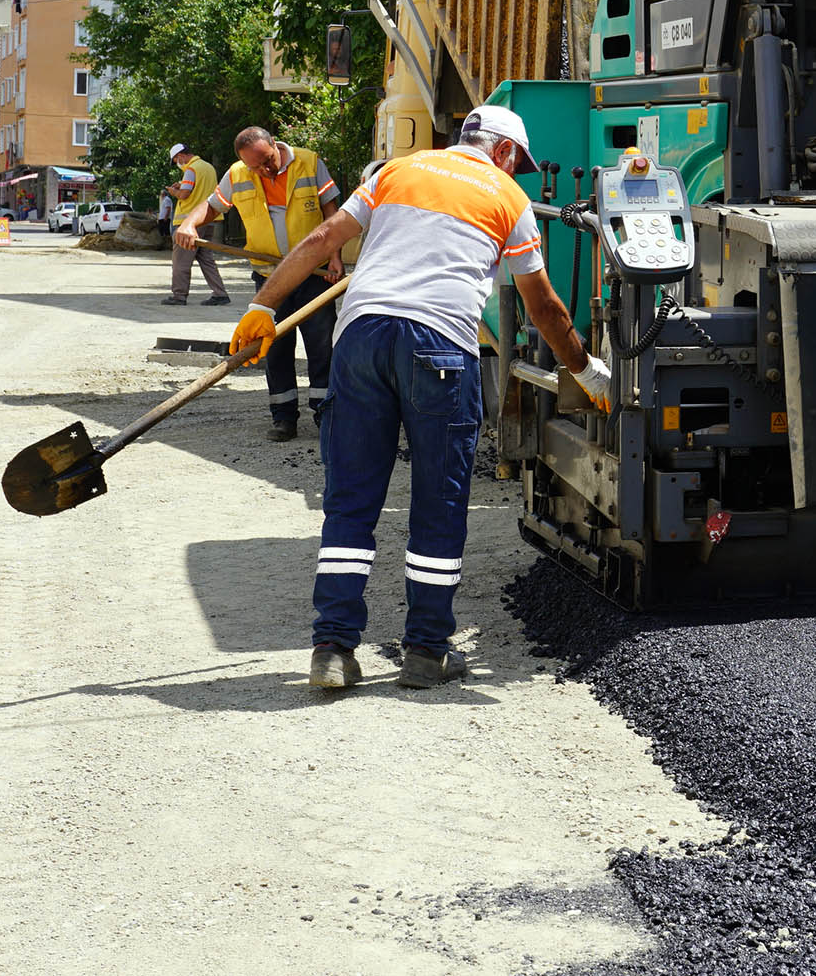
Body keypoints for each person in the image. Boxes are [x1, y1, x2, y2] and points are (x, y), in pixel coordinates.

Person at [228, 105, 611, 690]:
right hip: (440, 346)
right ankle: (427, 652)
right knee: (438, 502)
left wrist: (262, 306)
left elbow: (324, 237)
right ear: (505, 152)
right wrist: (585, 372)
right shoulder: (509, 198)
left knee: (351, 499)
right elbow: (544, 308)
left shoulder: (395, 172)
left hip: (360, 340)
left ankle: (332, 650)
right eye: (520, 161)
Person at [178, 125, 341, 441]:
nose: (266, 170)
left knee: (321, 346)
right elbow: (212, 206)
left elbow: (331, 211)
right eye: (257, 166)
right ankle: (283, 418)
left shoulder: (308, 162)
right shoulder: (239, 174)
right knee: (275, 346)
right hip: (270, 277)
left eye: (268, 160)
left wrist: (335, 256)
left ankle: (327, 415)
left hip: (313, 273)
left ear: (274, 145)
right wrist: (189, 222)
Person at [159, 144, 229, 306]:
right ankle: (220, 293)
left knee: (181, 260)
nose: (178, 163)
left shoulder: (191, 170)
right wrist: (181, 185)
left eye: (177, 160)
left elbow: (185, 194)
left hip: (189, 223)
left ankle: (179, 296)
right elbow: (200, 190)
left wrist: (174, 191)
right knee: (206, 259)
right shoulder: (208, 167)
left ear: (182, 156)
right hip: (209, 220)